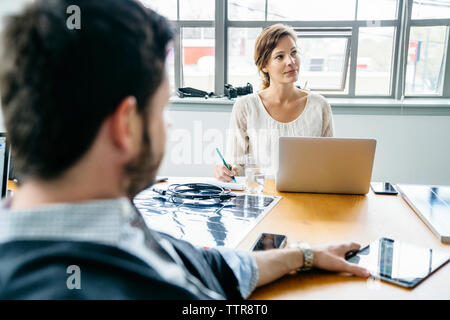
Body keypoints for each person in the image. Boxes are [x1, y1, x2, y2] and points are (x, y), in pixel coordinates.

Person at [0, 0, 369, 299]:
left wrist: (303, 256)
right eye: (162, 109)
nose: (169, 126)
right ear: (126, 126)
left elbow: (210, 266)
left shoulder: (108, 223)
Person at [214, 24, 334, 182]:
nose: (291, 61)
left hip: (308, 196)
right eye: (280, 56)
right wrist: (227, 171)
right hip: (262, 198)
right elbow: (238, 165)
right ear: (264, 66)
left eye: (294, 53)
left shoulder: (319, 105)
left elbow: (330, 163)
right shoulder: (245, 106)